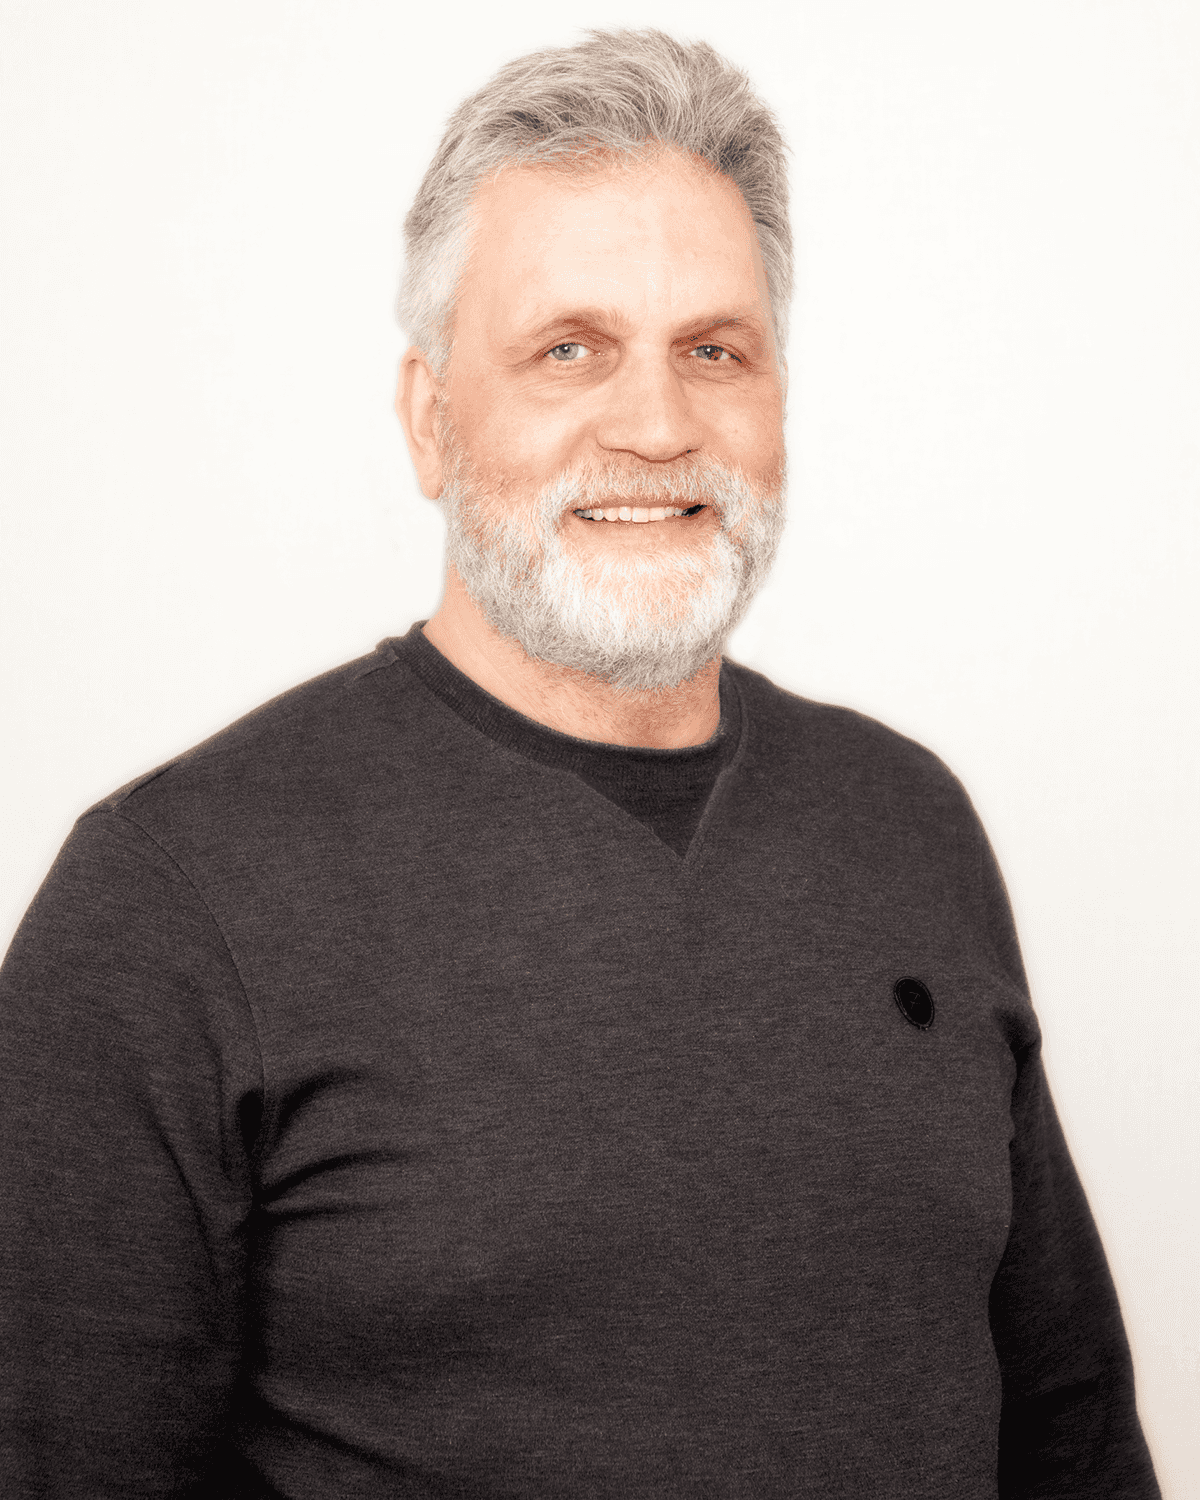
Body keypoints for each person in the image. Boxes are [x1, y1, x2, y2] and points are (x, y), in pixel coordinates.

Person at [0, 28, 1160, 1499]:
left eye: (714, 351)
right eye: (570, 349)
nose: (658, 425)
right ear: (431, 420)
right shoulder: (169, 903)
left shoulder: (908, 821)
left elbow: (1071, 1433)